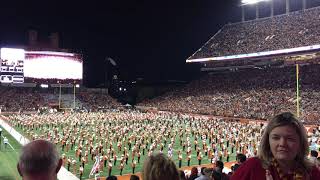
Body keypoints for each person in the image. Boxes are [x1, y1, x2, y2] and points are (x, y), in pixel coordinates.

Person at [231, 112, 320, 180]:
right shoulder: (252, 167)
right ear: (268, 141)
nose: (282, 144)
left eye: (290, 138)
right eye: (276, 138)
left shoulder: (312, 172)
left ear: (300, 142)